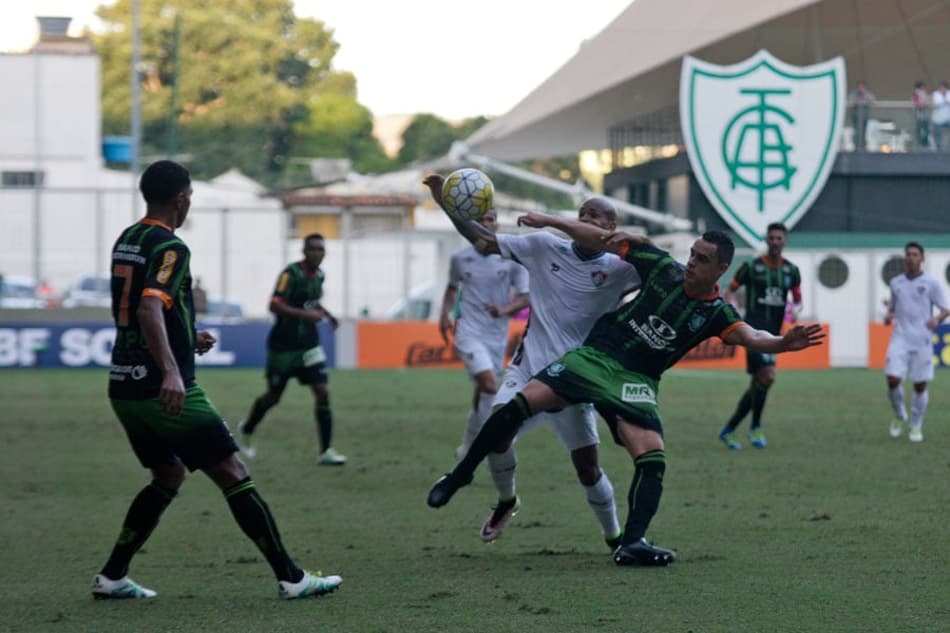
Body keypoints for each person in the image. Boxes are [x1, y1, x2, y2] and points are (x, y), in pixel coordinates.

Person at [427, 215, 824, 567]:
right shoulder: (662, 267)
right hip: (596, 358)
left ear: (721, 268)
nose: (691, 262)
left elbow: (751, 336)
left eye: (702, 259)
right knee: (517, 406)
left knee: (652, 456)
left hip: (636, 383)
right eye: (691, 253)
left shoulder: (716, 314)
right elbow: (605, 241)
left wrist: (782, 344)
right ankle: (460, 475)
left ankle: (631, 543)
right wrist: (556, 222)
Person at [93, 160, 341, 600]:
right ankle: (292, 577)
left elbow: (140, 312)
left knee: (168, 474)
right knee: (232, 471)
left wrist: (186, 339)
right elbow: (149, 308)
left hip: (123, 384)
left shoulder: (127, 238)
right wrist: (171, 369)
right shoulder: (172, 247)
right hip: (162, 387)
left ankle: (112, 576)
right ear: (183, 198)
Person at [426, 175, 641, 549]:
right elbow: (482, 239)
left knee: (588, 470)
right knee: (496, 433)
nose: (587, 219)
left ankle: (615, 538)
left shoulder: (622, 269)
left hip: (575, 381)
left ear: (611, 228)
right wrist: (447, 201)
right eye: (582, 213)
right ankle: (507, 500)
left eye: (596, 216)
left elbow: (664, 274)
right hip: (529, 372)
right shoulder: (544, 245)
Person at [237, 234, 346, 465]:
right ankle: (247, 428)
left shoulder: (320, 276)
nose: (317, 253)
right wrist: (307, 315)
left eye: (321, 249)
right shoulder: (290, 274)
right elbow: (274, 305)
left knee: (322, 391)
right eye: (313, 249)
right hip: (283, 348)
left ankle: (325, 451)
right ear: (304, 251)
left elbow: (311, 300)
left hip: (309, 346)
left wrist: (328, 315)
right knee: (273, 397)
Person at [439, 208, 530, 460]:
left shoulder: (511, 260)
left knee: (483, 391)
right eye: (480, 220)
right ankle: (483, 445)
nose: (486, 224)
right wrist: (444, 314)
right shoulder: (460, 258)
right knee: (489, 385)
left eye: (490, 219)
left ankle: (467, 446)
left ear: (497, 226)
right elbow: (451, 288)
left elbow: (525, 297)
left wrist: (504, 309)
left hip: (495, 335)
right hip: (468, 330)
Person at [718, 222, 802, 449]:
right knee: (768, 376)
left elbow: (797, 298)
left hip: (776, 336)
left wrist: (795, 310)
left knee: (758, 384)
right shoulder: (751, 267)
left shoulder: (791, 271)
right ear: (766, 240)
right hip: (753, 333)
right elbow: (730, 290)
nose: (775, 242)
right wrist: (730, 312)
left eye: (779, 238)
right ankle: (755, 427)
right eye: (772, 238)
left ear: (785, 241)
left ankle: (729, 429)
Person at [884, 242, 949, 442]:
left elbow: (946, 309)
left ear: (922, 258)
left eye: (915, 254)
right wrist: (888, 315)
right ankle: (899, 415)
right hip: (900, 338)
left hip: (922, 340)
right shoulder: (896, 283)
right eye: (908, 254)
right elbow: (893, 308)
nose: (911, 258)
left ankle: (916, 425)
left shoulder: (931, 283)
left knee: (920, 385)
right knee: (892, 379)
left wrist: (936, 320)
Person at [848, 81, 875, 151]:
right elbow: (851, 101)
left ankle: (863, 146)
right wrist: (859, 102)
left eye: (862, 87)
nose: (861, 89)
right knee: (857, 131)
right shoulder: (854, 93)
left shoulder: (867, 93)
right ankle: (856, 147)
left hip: (864, 116)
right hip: (856, 116)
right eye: (859, 87)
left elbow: (872, 101)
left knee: (864, 131)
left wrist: (864, 99)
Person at [930, 82, 950, 151]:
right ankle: (938, 149)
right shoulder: (935, 94)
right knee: (938, 134)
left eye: (943, 87)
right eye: (940, 88)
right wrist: (943, 103)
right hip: (937, 119)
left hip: (948, 118)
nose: (941, 89)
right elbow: (932, 104)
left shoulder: (949, 93)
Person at [912, 80, 931, 149]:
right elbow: (918, 104)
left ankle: (925, 144)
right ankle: (920, 144)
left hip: (925, 114)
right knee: (920, 129)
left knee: (926, 129)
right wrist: (925, 103)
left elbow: (929, 101)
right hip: (920, 114)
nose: (924, 87)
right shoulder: (916, 93)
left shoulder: (924, 93)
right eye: (923, 86)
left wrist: (927, 102)